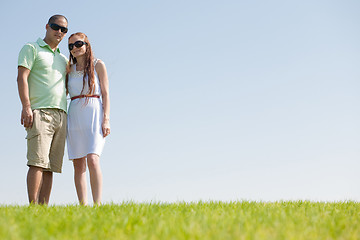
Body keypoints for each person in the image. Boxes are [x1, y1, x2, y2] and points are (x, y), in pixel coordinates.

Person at [17, 15, 69, 204]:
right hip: (40, 112)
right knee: (37, 163)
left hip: (61, 115)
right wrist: (26, 107)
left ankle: (43, 210)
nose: (60, 32)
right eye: (56, 27)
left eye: (64, 30)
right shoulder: (32, 48)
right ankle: (33, 208)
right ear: (47, 26)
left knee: (50, 167)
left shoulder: (64, 59)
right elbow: (21, 78)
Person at [66, 32, 110, 205]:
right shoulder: (69, 69)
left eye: (78, 44)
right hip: (75, 115)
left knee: (92, 159)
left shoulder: (98, 65)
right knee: (78, 164)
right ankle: (83, 206)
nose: (75, 48)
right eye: (70, 46)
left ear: (86, 44)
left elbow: (106, 93)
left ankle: (97, 204)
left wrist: (106, 119)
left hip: (94, 113)